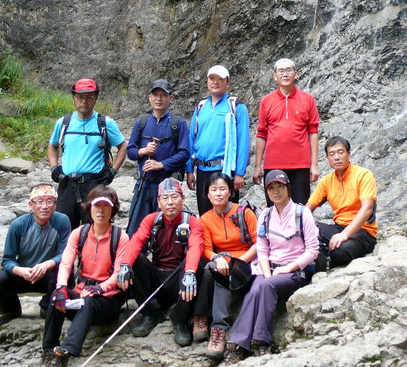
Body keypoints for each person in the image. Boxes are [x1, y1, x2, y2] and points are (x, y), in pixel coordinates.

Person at [36, 185, 128, 367]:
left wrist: (100, 288)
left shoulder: (120, 237)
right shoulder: (80, 233)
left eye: (106, 206)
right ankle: (49, 350)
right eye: (97, 206)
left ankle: (63, 355)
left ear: (113, 210)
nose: (101, 211)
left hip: (107, 300)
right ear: (89, 208)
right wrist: (61, 288)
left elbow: (119, 273)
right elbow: (66, 263)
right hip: (82, 293)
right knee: (56, 297)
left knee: (88, 303)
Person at [225, 170, 319, 363]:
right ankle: (237, 343)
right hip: (269, 269)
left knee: (266, 286)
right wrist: (267, 274)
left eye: (280, 187)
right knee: (254, 291)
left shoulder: (303, 214)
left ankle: (261, 340)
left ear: (287, 188)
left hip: (294, 270)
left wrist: (289, 268)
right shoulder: (265, 215)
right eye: (271, 188)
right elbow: (262, 249)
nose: (276, 192)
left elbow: (312, 250)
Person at [117, 177, 203, 345]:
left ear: (183, 198)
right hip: (157, 278)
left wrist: (190, 272)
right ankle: (152, 312)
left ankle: (180, 319)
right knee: (135, 260)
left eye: (175, 197)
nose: (170, 202)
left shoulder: (192, 222)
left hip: (180, 281)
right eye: (165, 198)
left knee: (195, 264)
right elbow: (136, 241)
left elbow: (195, 247)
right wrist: (125, 265)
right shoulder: (151, 220)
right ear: (158, 201)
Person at [193, 172, 258, 361]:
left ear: (230, 192)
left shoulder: (244, 212)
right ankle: (201, 317)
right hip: (222, 262)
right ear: (208, 194)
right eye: (214, 190)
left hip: (246, 263)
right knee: (209, 269)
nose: (218, 193)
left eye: (223, 189)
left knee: (220, 272)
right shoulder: (205, 219)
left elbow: (258, 243)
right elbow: (205, 248)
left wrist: (240, 261)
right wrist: (217, 258)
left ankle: (218, 328)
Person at [47, 78, 127, 229]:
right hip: (67, 184)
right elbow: (52, 146)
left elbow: (123, 146)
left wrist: (113, 171)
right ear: (74, 97)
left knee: (94, 229)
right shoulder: (64, 122)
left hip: (94, 185)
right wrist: (53, 167)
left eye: (89, 97)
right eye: (80, 97)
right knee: (63, 229)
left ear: (95, 98)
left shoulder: (105, 123)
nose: (84, 101)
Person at [0, 184, 71, 327]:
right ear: (30, 205)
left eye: (49, 201)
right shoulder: (18, 225)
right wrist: (20, 270)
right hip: (23, 273)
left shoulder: (62, 221)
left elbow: (65, 255)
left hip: (49, 274)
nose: (44, 206)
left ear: (55, 204)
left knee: (67, 275)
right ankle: (10, 310)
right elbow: (7, 260)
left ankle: (46, 306)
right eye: (39, 202)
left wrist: (47, 264)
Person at [126, 78, 190, 236]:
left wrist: (161, 164)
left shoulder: (178, 124)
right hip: (144, 186)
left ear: (171, 98)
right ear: (149, 97)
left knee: (165, 234)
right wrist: (143, 151)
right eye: (155, 95)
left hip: (167, 189)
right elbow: (130, 151)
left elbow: (185, 153)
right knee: (136, 232)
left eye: (163, 95)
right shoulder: (141, 122)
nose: (159, 99)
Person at [253, 58, 320, 205]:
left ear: (296, 74)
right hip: (273, 164)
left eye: (289, 70)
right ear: (275, 76)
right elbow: (261, 134)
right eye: (281, 71)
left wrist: (314, 165)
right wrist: (258, 167)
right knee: (275, 207)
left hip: (300, 164)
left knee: (300, 207)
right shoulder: (266, 101)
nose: (285, 74)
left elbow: (313, 132)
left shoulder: (308, 99)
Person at [186, 65, 250, 216]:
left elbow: (243, 141)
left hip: (225, 170)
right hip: (202, 170)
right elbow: (191, 139)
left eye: (220, 79)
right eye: (212, 78)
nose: (215, 82)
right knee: (205, 215)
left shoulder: (235, 106)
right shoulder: (201, 107)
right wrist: (189, 170)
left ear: (227, 82)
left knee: (228, 215)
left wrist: (239, 173)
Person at [306, 137, 378, 272]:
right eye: (332, 154)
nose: (337, 157)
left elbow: (367, 209)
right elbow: (306, 210)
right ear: (327, 158)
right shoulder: (327, 181)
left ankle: (324, 257)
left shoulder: (363, 175)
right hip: (338, 228)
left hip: (362, 231)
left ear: (349, 154)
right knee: (303, 228)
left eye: (341, 152)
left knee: (341, 251)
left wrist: (345, 234)